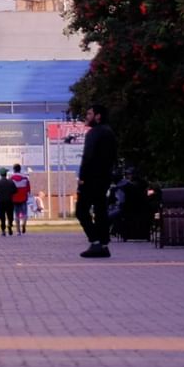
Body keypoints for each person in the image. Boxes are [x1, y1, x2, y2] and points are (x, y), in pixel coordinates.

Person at [76, 105, 119, 258]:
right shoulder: (110, 132)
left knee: (81, 210)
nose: (86, 116)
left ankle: (95, 242)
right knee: (101, 212)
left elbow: (88, 157)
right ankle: (104, 245)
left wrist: (82, 178)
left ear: (98, 116)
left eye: (89, 113)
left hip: (91, 179)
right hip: (104, 178)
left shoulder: (94, 133)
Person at [0, 167, 16, 234]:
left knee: (2, 216)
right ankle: (10, 225)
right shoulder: (11, 182)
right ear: (6, 173)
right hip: (9, 201)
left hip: (1, 201)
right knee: (10, 215)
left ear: (0, 174)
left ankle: (3, 230)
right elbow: (15, 190)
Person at [10, 164, 32, 230]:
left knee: (16, 214)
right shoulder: (25, 177)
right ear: (20, 169)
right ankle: (24, 224)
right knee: (24, 213)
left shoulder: (11, 178)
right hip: (23, 198)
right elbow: (28, 189)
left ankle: (18, 230)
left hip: (15, 198)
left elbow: (10, 189)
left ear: (14, 169)